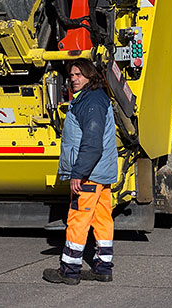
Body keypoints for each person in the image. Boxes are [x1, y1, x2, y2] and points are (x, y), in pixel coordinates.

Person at [43, 59, 118, 286]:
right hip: (100, 175)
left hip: (89, 175)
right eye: (72, 75)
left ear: (89, 75)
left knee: (77, 220)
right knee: (103, 219)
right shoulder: (94, 97)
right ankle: (103, 267)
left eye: (78, 74)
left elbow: (92, 143)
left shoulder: (90, 102)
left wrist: (78, 173)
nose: (74, 79)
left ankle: (69, 269)